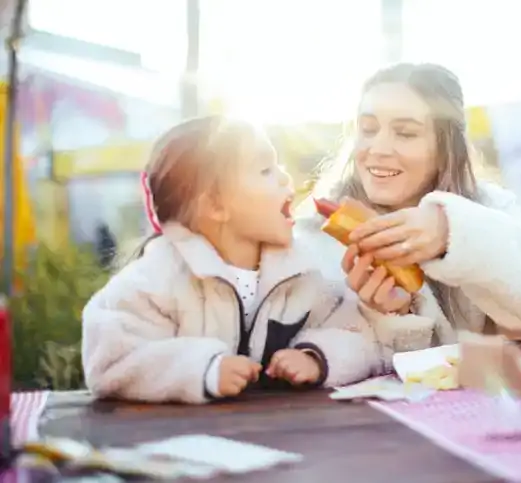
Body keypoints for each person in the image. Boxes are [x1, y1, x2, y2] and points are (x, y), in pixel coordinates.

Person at [296, 63, 521, 368]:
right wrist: (395, 316)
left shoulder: (488, 208)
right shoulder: (315, 235)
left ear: (445, 147)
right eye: (368, 129)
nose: (377, 148)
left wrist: (451, 233)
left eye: (405, 133)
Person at [82, 117, 380, 404]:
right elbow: (111, 362)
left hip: (282, 436)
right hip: (178, 441)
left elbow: (358, 338)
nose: (286, 178)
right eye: (265, 170)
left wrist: (316, 356)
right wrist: (204, 370)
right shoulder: (154, 278)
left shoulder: (304, 274)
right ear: (214, 205)